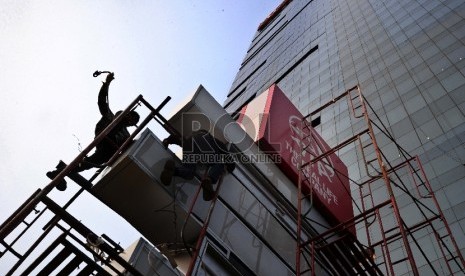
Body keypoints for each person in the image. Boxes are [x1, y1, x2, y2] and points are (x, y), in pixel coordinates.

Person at [46, 72, 140, 191]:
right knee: (93, 158)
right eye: (129, 116)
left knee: (88, 163)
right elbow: (102, 101)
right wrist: (106, 84)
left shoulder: (126, 134)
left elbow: (126, 149)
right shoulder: (110, 117)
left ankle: (60, 174)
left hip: (108, 151)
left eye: (131, 120)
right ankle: (61, 173)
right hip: (104, 139)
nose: (128, 119)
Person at [160, 129, 235, 201]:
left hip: (188, 145)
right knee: (218, 162)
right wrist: (230, 165)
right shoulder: (208, 137)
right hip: (203, 143)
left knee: (189, 172)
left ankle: (173, 171)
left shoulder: (190, 137)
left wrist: (168, 140)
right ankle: (209, 180)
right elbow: (222, 147)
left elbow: (178, 139)